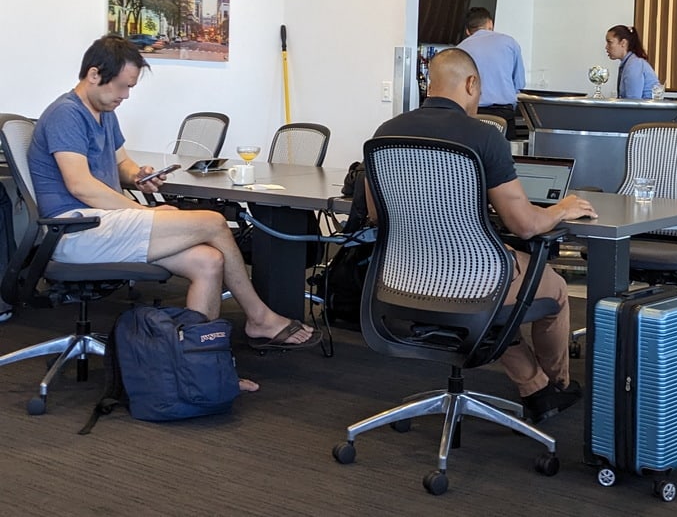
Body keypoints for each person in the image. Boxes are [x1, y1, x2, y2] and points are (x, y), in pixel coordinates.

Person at [27, 36, 320, 390]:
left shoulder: (103, 112)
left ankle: (197, 368)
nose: (126, 95)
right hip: (75, 231)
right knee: (212, 222)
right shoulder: (65, 114)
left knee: (209, 261)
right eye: (122, 86)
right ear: (93, 74)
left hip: (104, 226)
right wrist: (141, 212)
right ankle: (259, 317)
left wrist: (138, 176)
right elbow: (80, 186)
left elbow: (121, 163)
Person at [371, 48, 597, 424]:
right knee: (552, 287)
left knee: (496, 287)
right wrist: (562, 207)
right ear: (471, 84)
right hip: (471, 280)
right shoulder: (483, 136)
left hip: (403, 279)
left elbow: (380, 216)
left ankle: (535, 386)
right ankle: (555, 387)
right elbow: (524, 225)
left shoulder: (386, 131)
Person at [457, 6, 525, 139]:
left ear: (467, 31)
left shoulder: (460, 49)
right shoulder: (509, 43)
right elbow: (519, 84)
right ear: (490, 23)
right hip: (503, 114)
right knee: (504, 156)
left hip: (472, 116)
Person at [605, 24, 660, 99]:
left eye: (609, 42)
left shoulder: (634, 65)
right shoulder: (631, 62)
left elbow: (632, 102)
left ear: (623, 43)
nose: (606, 47)